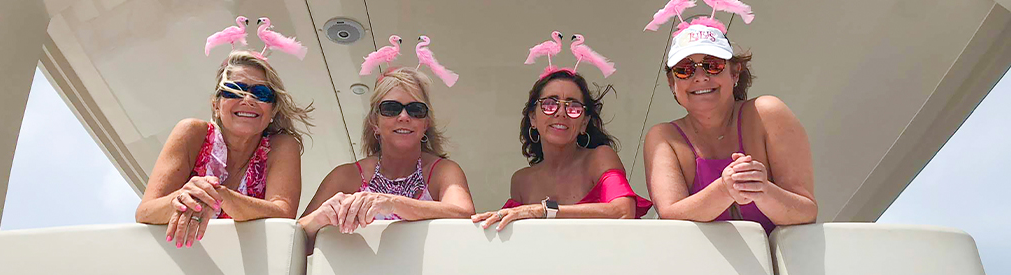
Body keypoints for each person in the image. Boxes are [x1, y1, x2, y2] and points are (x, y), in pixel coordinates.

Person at [643, 11, 817, 233]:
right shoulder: (663, 137)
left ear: (735, 73)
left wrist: (762, 190)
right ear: (672, 83)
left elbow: (806, 211)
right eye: (685, 70)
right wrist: (725, 189)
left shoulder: (767, 113)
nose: (700, 77)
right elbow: (670, 217)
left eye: (713, 65)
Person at [136, 51, 314, 247]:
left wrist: (220, 196)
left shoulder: (281, 146)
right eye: (234, 90)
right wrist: (182, 199)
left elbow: (283, 214)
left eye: (261, 94)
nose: (248, 99)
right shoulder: (192, 132)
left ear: (273, 110)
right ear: (216, 105)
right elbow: (145, 212)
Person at [298, 68, 474, 241]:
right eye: (391, 108)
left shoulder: (442, 171)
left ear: (426, 124)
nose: (404, 117)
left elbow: (465, 215)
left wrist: (393, 203)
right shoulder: (346, 176)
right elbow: (297, 238)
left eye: (416, 110)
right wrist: (320, 218)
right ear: (374, 122)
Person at [473, 70, 652, 231]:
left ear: (584, 122)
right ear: (533, 118)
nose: (561, 112)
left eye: (573, 107)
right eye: (549, 104)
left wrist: (544, 211)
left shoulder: (599, 158)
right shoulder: (521, 180)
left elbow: (623, 210)